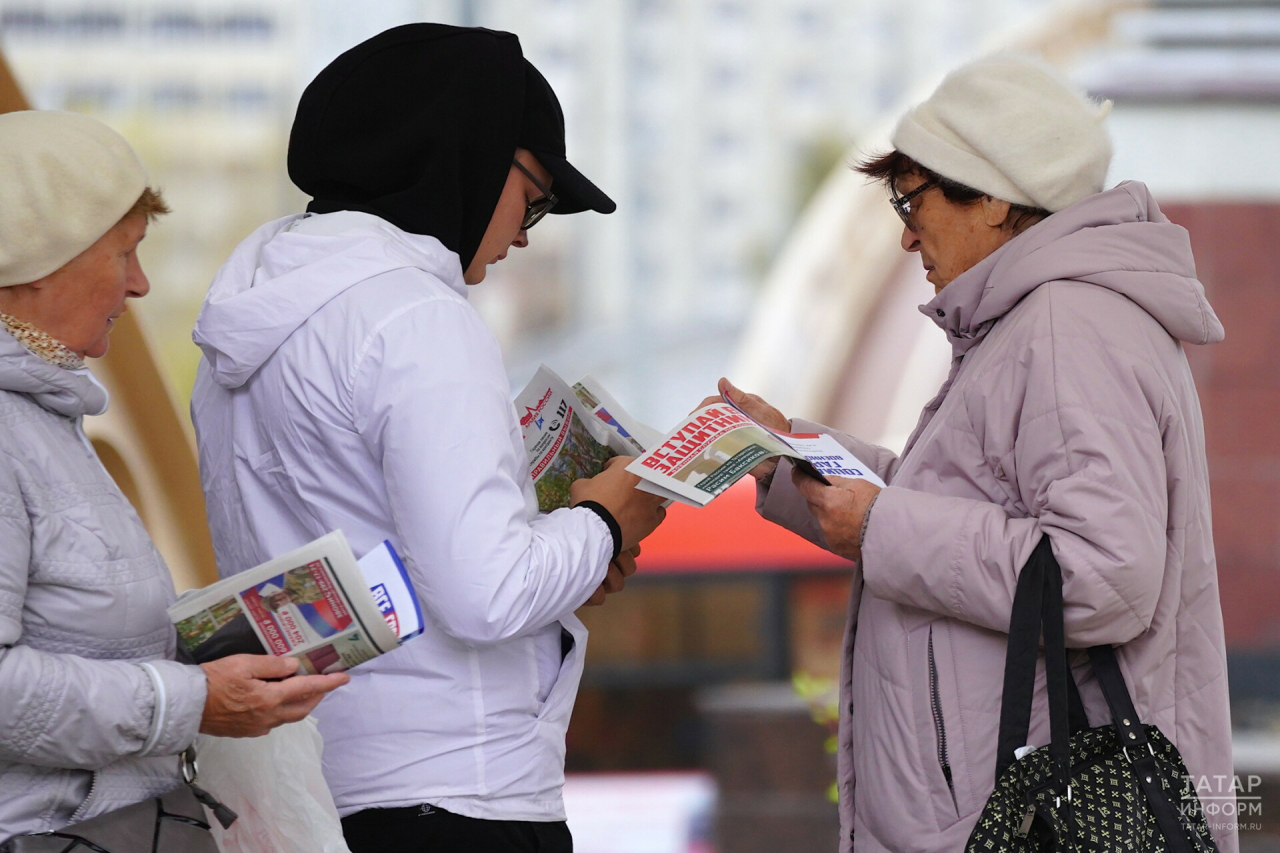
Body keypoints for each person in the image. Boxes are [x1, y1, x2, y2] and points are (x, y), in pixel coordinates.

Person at [715, 54, 1235, 853]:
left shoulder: (1067, 327)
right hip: (991, 805)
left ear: (991, 198)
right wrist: (790, 456)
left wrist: (883, 528)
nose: (903, 231)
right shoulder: (1034, 319)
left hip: (1019, 812)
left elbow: (1103, 574)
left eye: (912, 197)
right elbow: (970, 505)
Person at [188, 24, 667, 853]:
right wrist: (605, 520)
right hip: (457, 793)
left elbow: (378, 555)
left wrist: (560, 548)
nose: (525, 231)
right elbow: (486, 594)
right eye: (536, 195)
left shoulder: (248, 321)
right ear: (469, 154)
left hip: (312, 788)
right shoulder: (419, 317)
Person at [0, 110, 349, 844]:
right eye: (123, 253)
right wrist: (191, 701)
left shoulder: (43, 414)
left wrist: (214, 642)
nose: (140, 283)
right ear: (40, 259)